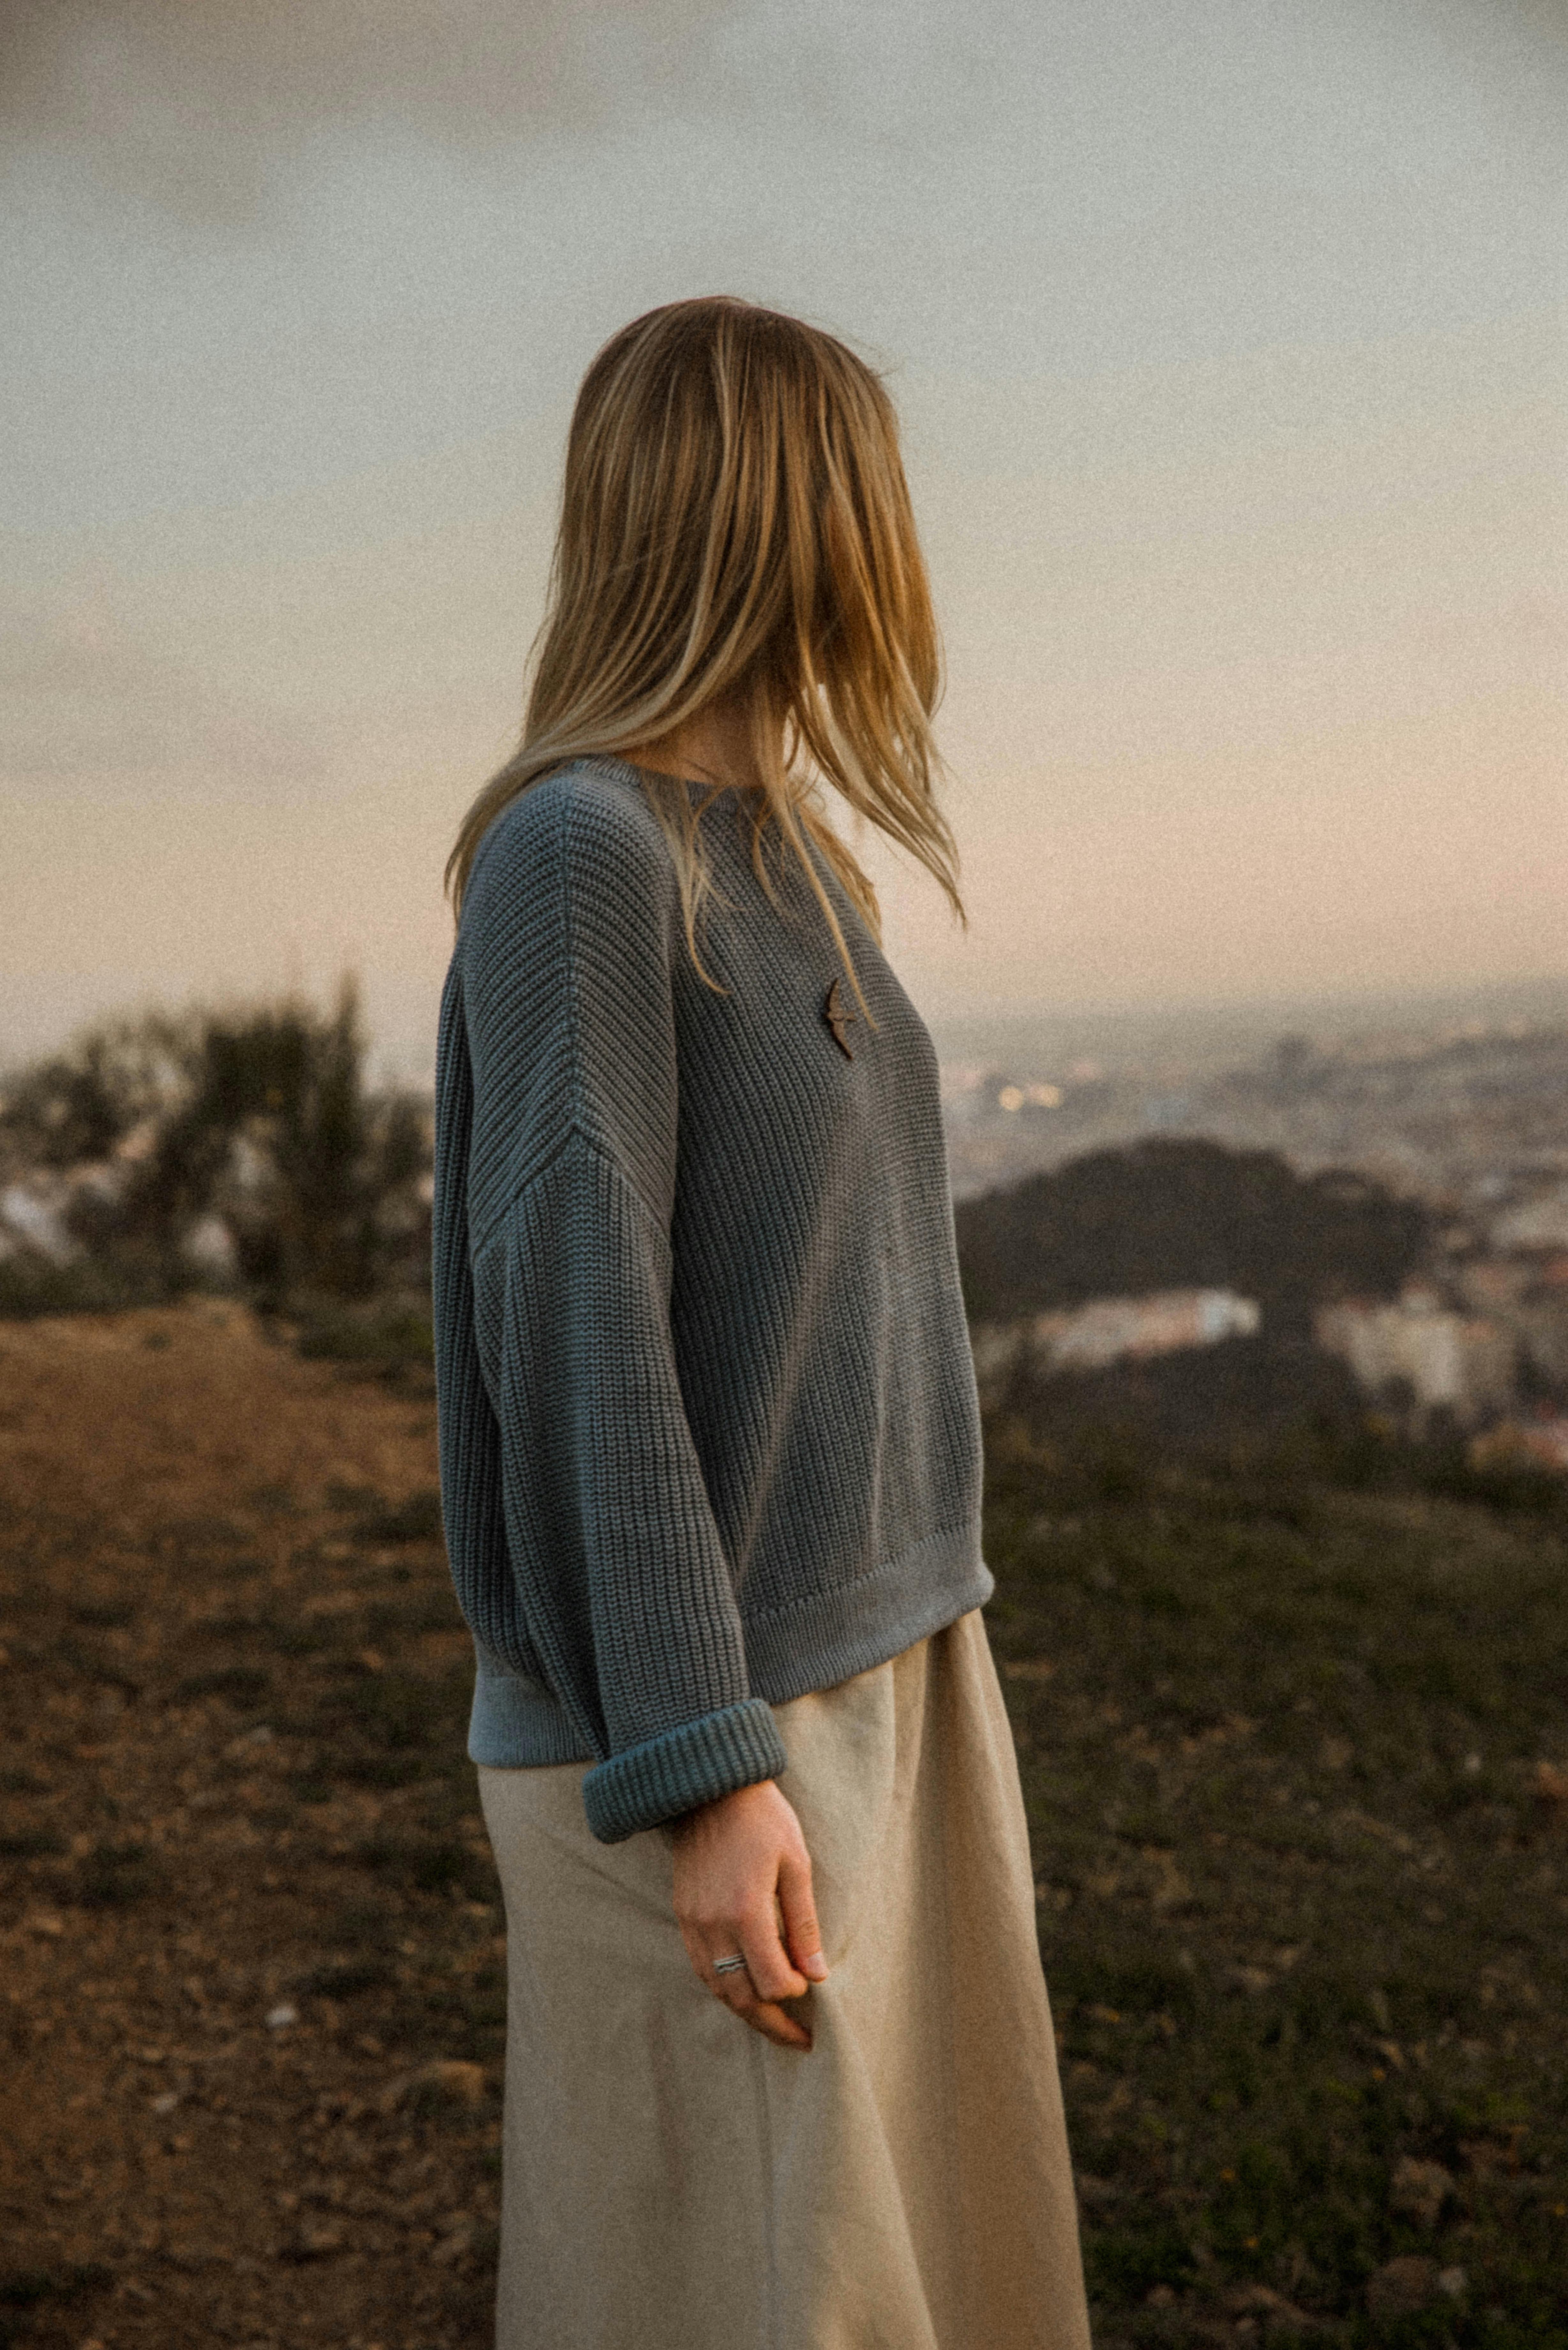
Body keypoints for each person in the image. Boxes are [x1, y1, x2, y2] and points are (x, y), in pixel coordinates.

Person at [432, 295, 1091, 2350]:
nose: (898, 548)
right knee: (750, 2300)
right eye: (863, 497)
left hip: (887, 1671)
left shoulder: (794, 861)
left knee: (919, 2279)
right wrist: (702, 1772)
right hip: (719, 1730)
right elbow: (577, 1317)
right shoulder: (580, 853)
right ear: (779, 515)